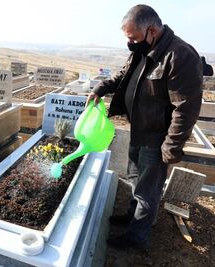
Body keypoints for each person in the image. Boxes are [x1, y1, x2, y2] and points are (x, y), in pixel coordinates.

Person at [87, 4, 203, 249]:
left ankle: (135, 237)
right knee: (134, 178)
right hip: (139, 130)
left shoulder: (179, 55)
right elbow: (122, 76)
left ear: (151, 30)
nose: (130, 43)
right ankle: (132, 216)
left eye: (133, 38)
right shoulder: (144, 48)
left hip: (156, 137)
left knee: (148, 190)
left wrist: (171, 146)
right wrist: (101, 88)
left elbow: (186, 107)